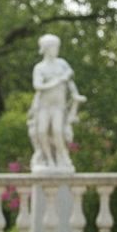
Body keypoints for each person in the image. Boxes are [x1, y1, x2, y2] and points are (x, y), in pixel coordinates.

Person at [27, 34, 86, 172]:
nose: (55, 49)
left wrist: (76, 95)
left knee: (58, 131)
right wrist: (57, 81)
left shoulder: (62, 64)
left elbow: (70, 83)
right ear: (45, 49)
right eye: (53, 47)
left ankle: (62, 158)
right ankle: (48, 160)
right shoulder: (40, 67)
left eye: (56, 47)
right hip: (43, 106)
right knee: (42, 132)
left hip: (59, 106)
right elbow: (38, 86)